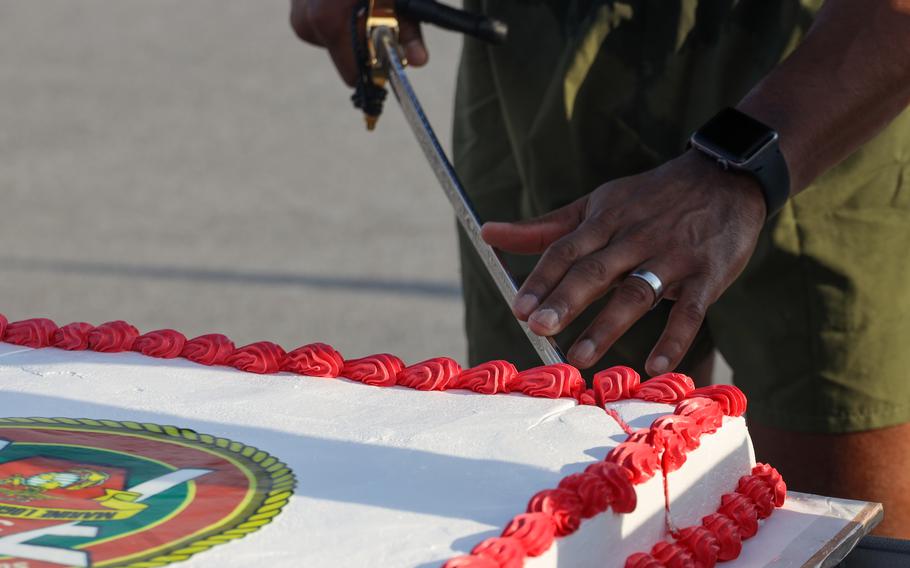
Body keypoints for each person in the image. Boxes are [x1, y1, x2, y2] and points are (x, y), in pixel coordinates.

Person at [291, 0, 910, 537]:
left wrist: (743, 165)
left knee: (839, 511)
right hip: (543, 39)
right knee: (558, 479)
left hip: (821, 52)